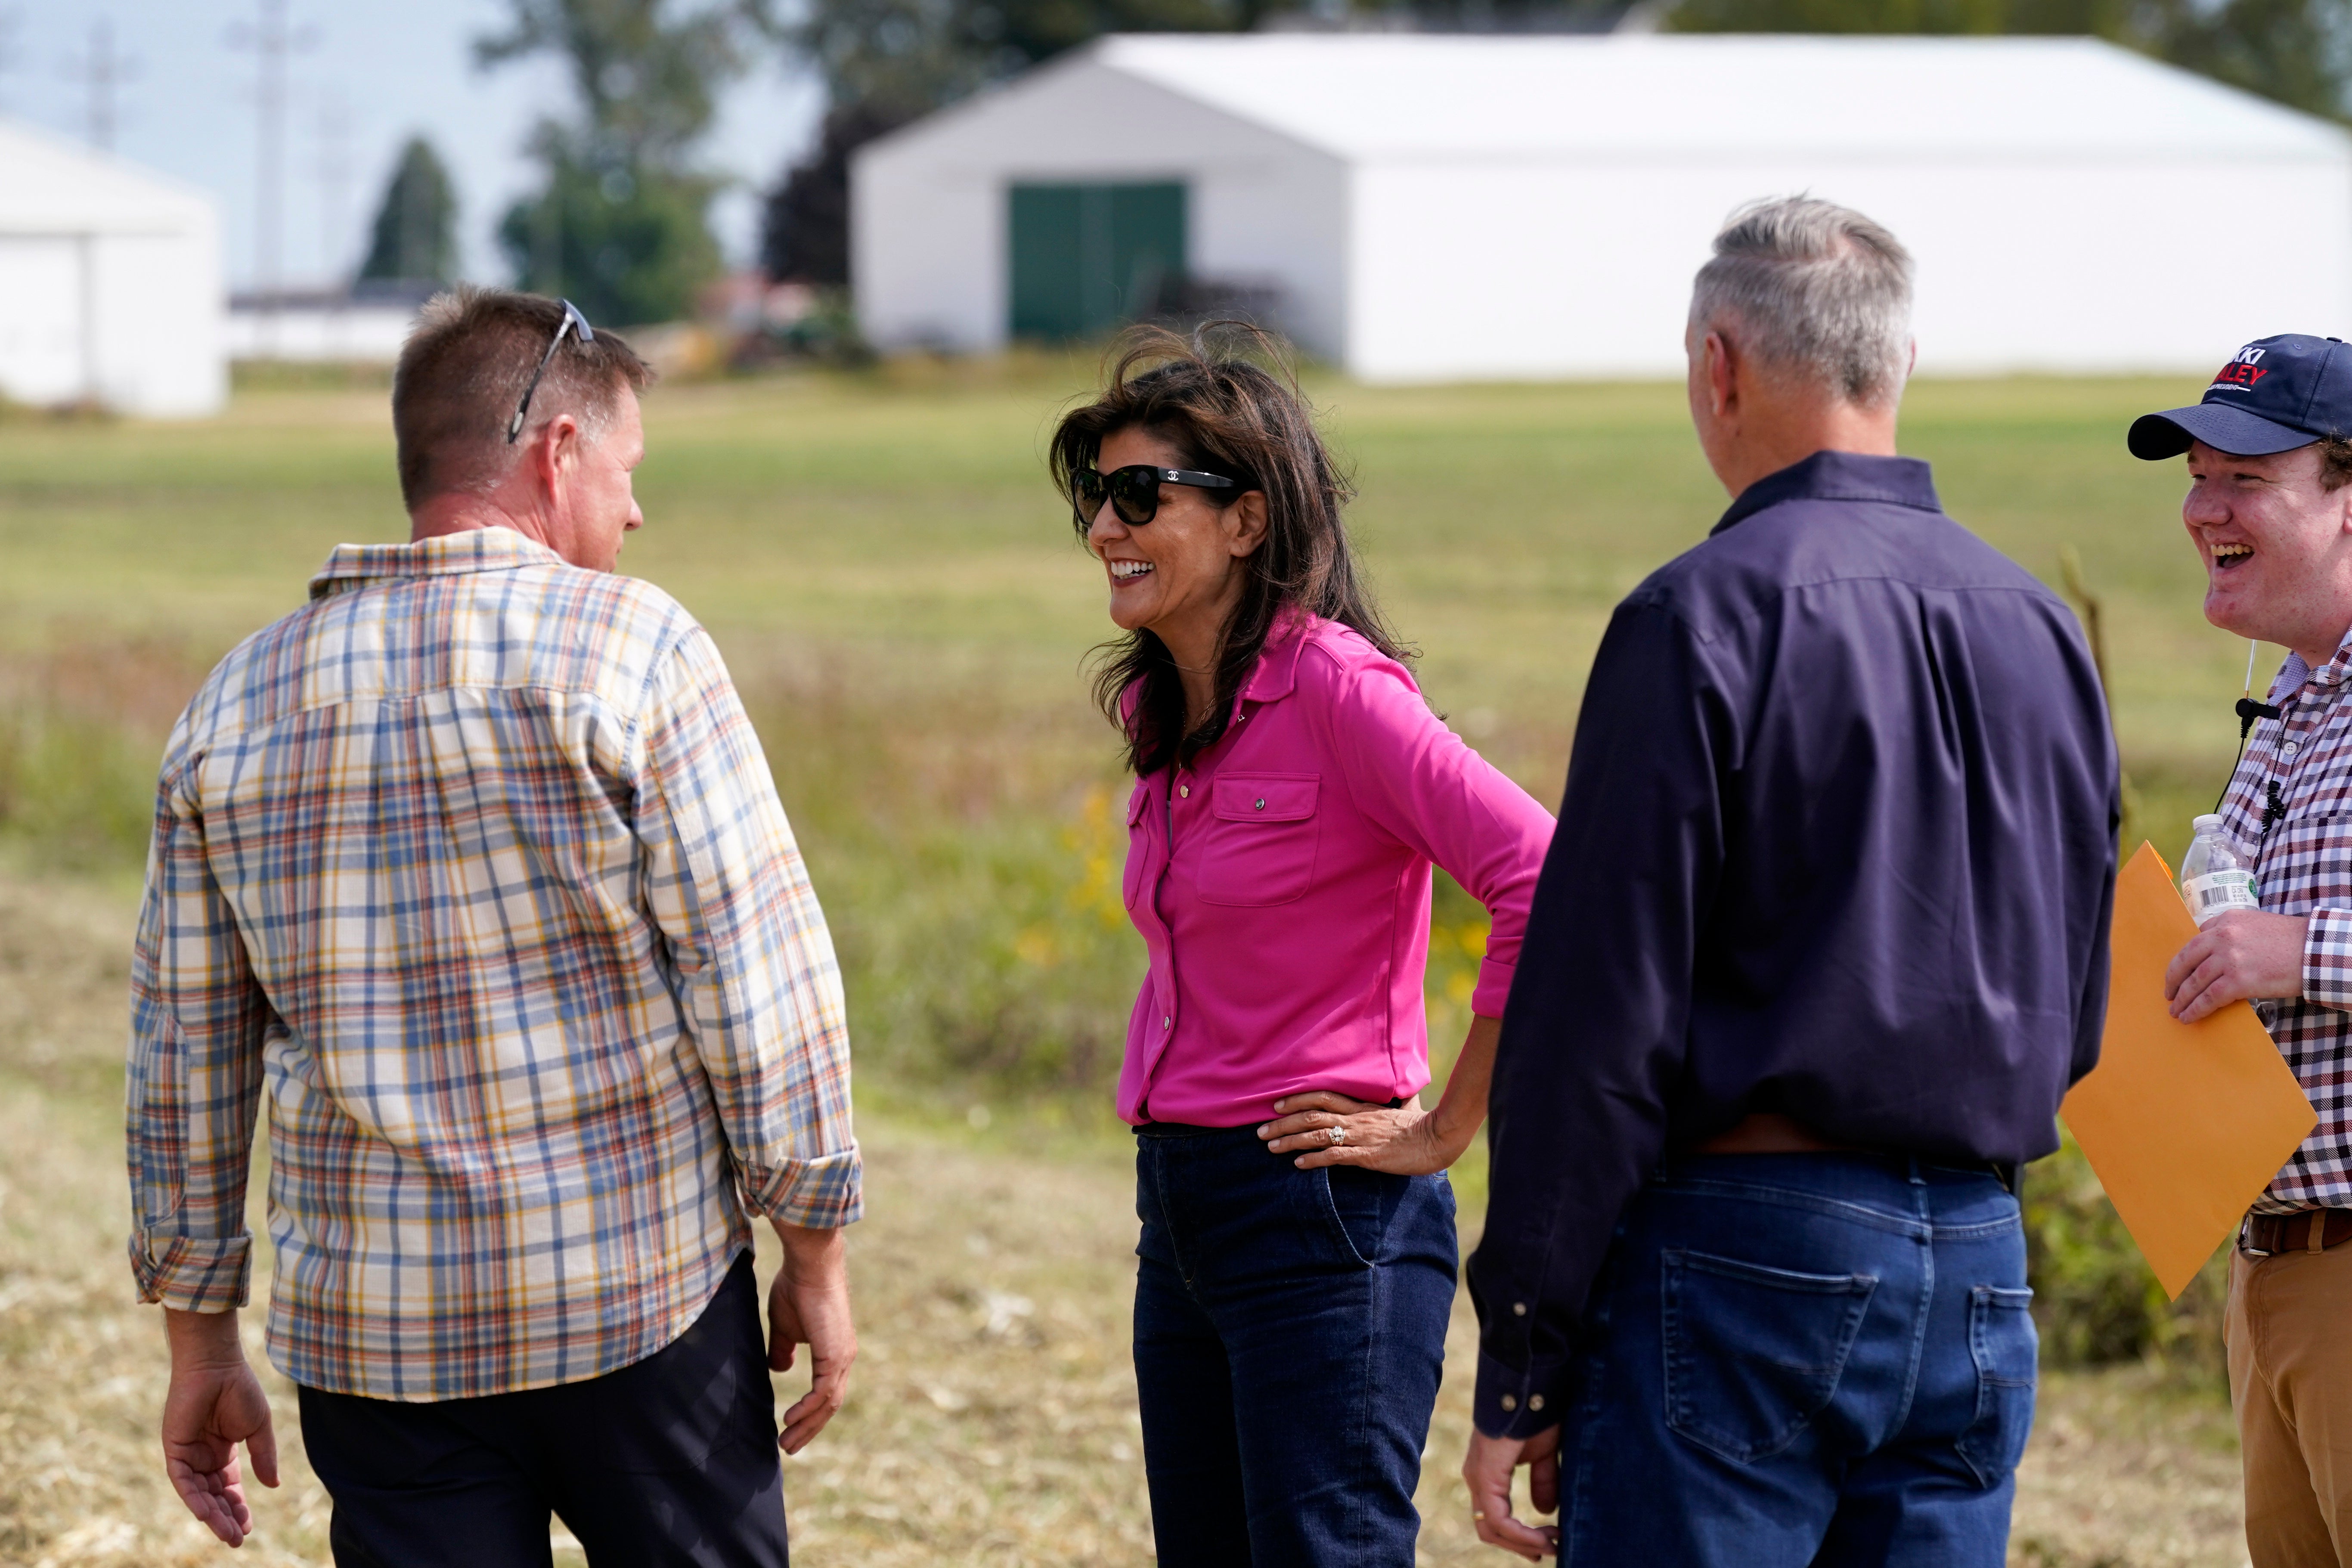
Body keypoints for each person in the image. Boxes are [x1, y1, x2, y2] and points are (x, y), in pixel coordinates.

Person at [124, 287, 860, 1566]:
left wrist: (201, 1340)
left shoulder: (233, 705)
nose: (635, 511)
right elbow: (758, 979)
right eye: (627, 470)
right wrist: (815, 1247)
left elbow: (182, 1058)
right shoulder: (635, 651)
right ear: (557, 451)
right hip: (642, 1305)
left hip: (379, 1338)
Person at [1461, 197, 2119, 1565]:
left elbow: (1596, 1022)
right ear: (1900, 364)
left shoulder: (1699, 612)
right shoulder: (2043, 630)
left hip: (1747, 1252)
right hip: (1984, 1257)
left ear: (1721, 363)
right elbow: (2085, 990)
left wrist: (1528, 1344)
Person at [1051, 326, 1554, 1565]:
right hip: (1181, 1206)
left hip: (1324, 1216)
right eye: (1093, 499)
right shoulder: (1159, 707)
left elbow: (1543, 873)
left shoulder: (1339, 690)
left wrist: (1445, 1125)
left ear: (1245, 520)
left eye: (1137, 495)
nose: (1106, 528)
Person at [2137, 334, 2352, 1567]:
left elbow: (2287, 948)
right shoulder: (2289, 703)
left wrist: (2304, 952)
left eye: (2247, 479)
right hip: (2268, 1274)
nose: (2201, 510)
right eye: (2199, 474)